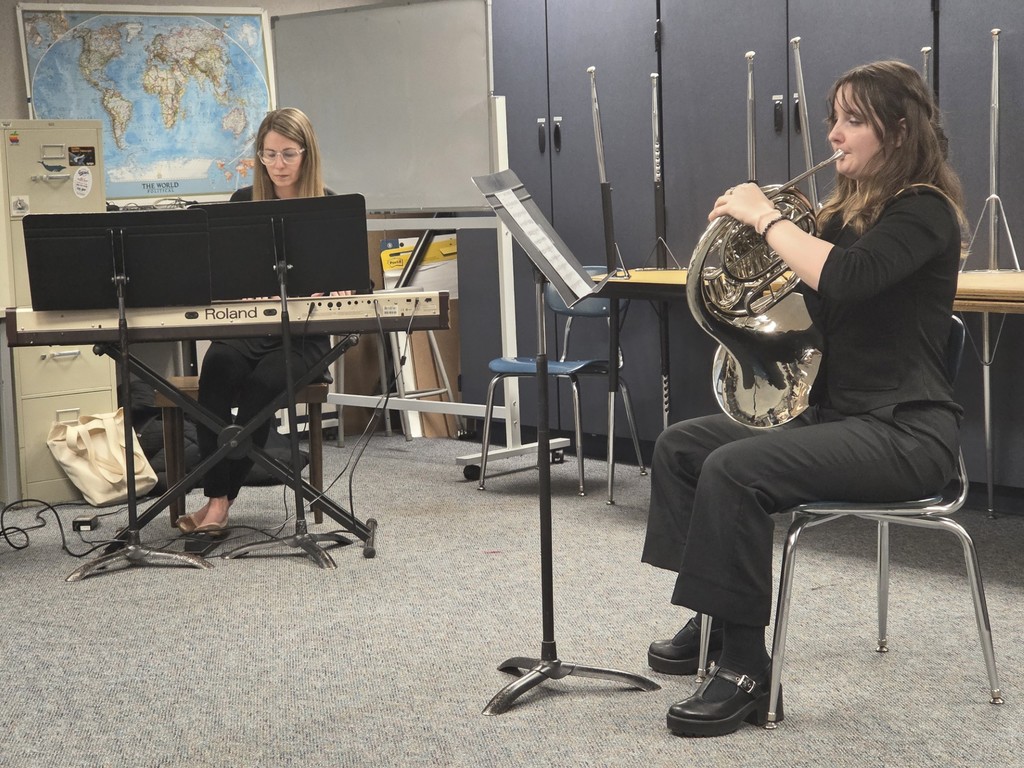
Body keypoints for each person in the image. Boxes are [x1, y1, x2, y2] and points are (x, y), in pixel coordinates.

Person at [642, 60, 967, 737]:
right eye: (834, 119)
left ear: (899, 131)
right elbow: (812, 303)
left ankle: (745, 670)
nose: (834, 136)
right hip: (840, 415)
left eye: (853, 120)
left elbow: (847, 280)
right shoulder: (847, 215)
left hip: (906, 432)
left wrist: (764, 219)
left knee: (735, 470)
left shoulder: (925, 212)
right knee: (681, 448)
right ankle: (715, 618)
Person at [176, 107, 338, 534]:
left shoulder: (330, 206)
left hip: (304, 338)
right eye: (268, 155)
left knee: (263, 384)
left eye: (287, 154)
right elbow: (223, 274)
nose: (277, 165)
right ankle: (216, 498)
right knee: (216, 367)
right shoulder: (243, 204)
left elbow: (356, 277)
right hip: (250, 330)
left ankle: (221, 503)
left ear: (307, 153)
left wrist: (341, 288)